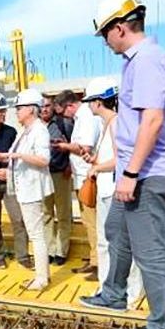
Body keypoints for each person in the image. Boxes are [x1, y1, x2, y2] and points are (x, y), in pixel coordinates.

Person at [78, 0, 165, 329]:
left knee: (150, 250)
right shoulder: (138, 61)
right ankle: (113, 293)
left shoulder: (147, 61)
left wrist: (130, 174)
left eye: (106, 34)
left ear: (120, 28)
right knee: (115, 229)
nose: (105, 41)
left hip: (149, 171)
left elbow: (153, 120)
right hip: (141, 169)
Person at [82, 77, 143, 307]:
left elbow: (121, 160)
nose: (89, 106)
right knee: (107, 243)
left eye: (90, 101)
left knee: (117, 243)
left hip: (113, 191)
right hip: (107, 190)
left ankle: (127, 292)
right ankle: (108, 289)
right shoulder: (109, 125)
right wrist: (95, 160)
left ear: (99, 102)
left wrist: (97, 167)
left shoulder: (117, 123)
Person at [0, 88, 54, 289]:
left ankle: (41, 279)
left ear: (31, 109)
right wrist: (3, 157)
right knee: (36, 233)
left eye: (20, 108)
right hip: (24, 188)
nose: (17, 111)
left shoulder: (39, 130)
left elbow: (43, 159)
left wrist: (18, 156)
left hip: (32, 189)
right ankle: (42, 276)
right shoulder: (25, 132)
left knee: (37, 234)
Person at [0, 92, 31, 269]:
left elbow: (16, 155)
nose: (3, 113)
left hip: (9, 181)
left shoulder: (11, 132)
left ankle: (23, 256)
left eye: (3, 110)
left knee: (18, 219)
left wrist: (7, 171)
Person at [52, 89, 100, 274]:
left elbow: (85, 148)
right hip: (82, 177)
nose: (64, 117)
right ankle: (95, 259)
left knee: (92, 222)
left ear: (70, 105)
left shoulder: (86, 118)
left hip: (87, 177)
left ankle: (98, 263)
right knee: (89, 222)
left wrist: (63, 146)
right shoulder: (81, 119)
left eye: (63, 112)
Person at [42, 96, 73, 265]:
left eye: (47, 106)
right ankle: (49, 250)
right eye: (42, 106)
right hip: (42, 175)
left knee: (63, 214)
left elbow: (75, 145)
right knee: (46, 214)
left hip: (60, 174)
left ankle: (61, 251)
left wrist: (70, 165)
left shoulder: (63, 124)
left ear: (53, 107)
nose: (44, 109)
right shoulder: (35, 127)